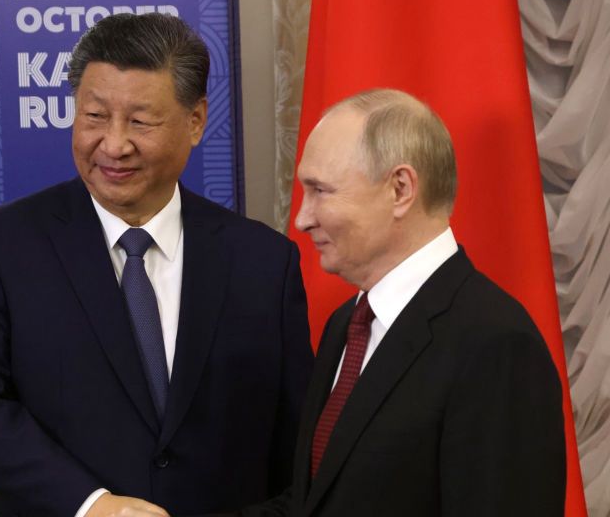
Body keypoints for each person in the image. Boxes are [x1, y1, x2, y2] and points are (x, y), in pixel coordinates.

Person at [0, 13, 313, 517]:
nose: (113, 144)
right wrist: (92, 506)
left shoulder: (264, 261)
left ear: (196, 120)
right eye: (93, 117)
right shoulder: (1, 248)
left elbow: (298, 439)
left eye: (140, 121)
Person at [240, 89, 566, 516]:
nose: (302, 218)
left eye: (321, 191)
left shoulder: (496, 345)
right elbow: (310, 506)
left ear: (400, 188)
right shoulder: (348, 324)